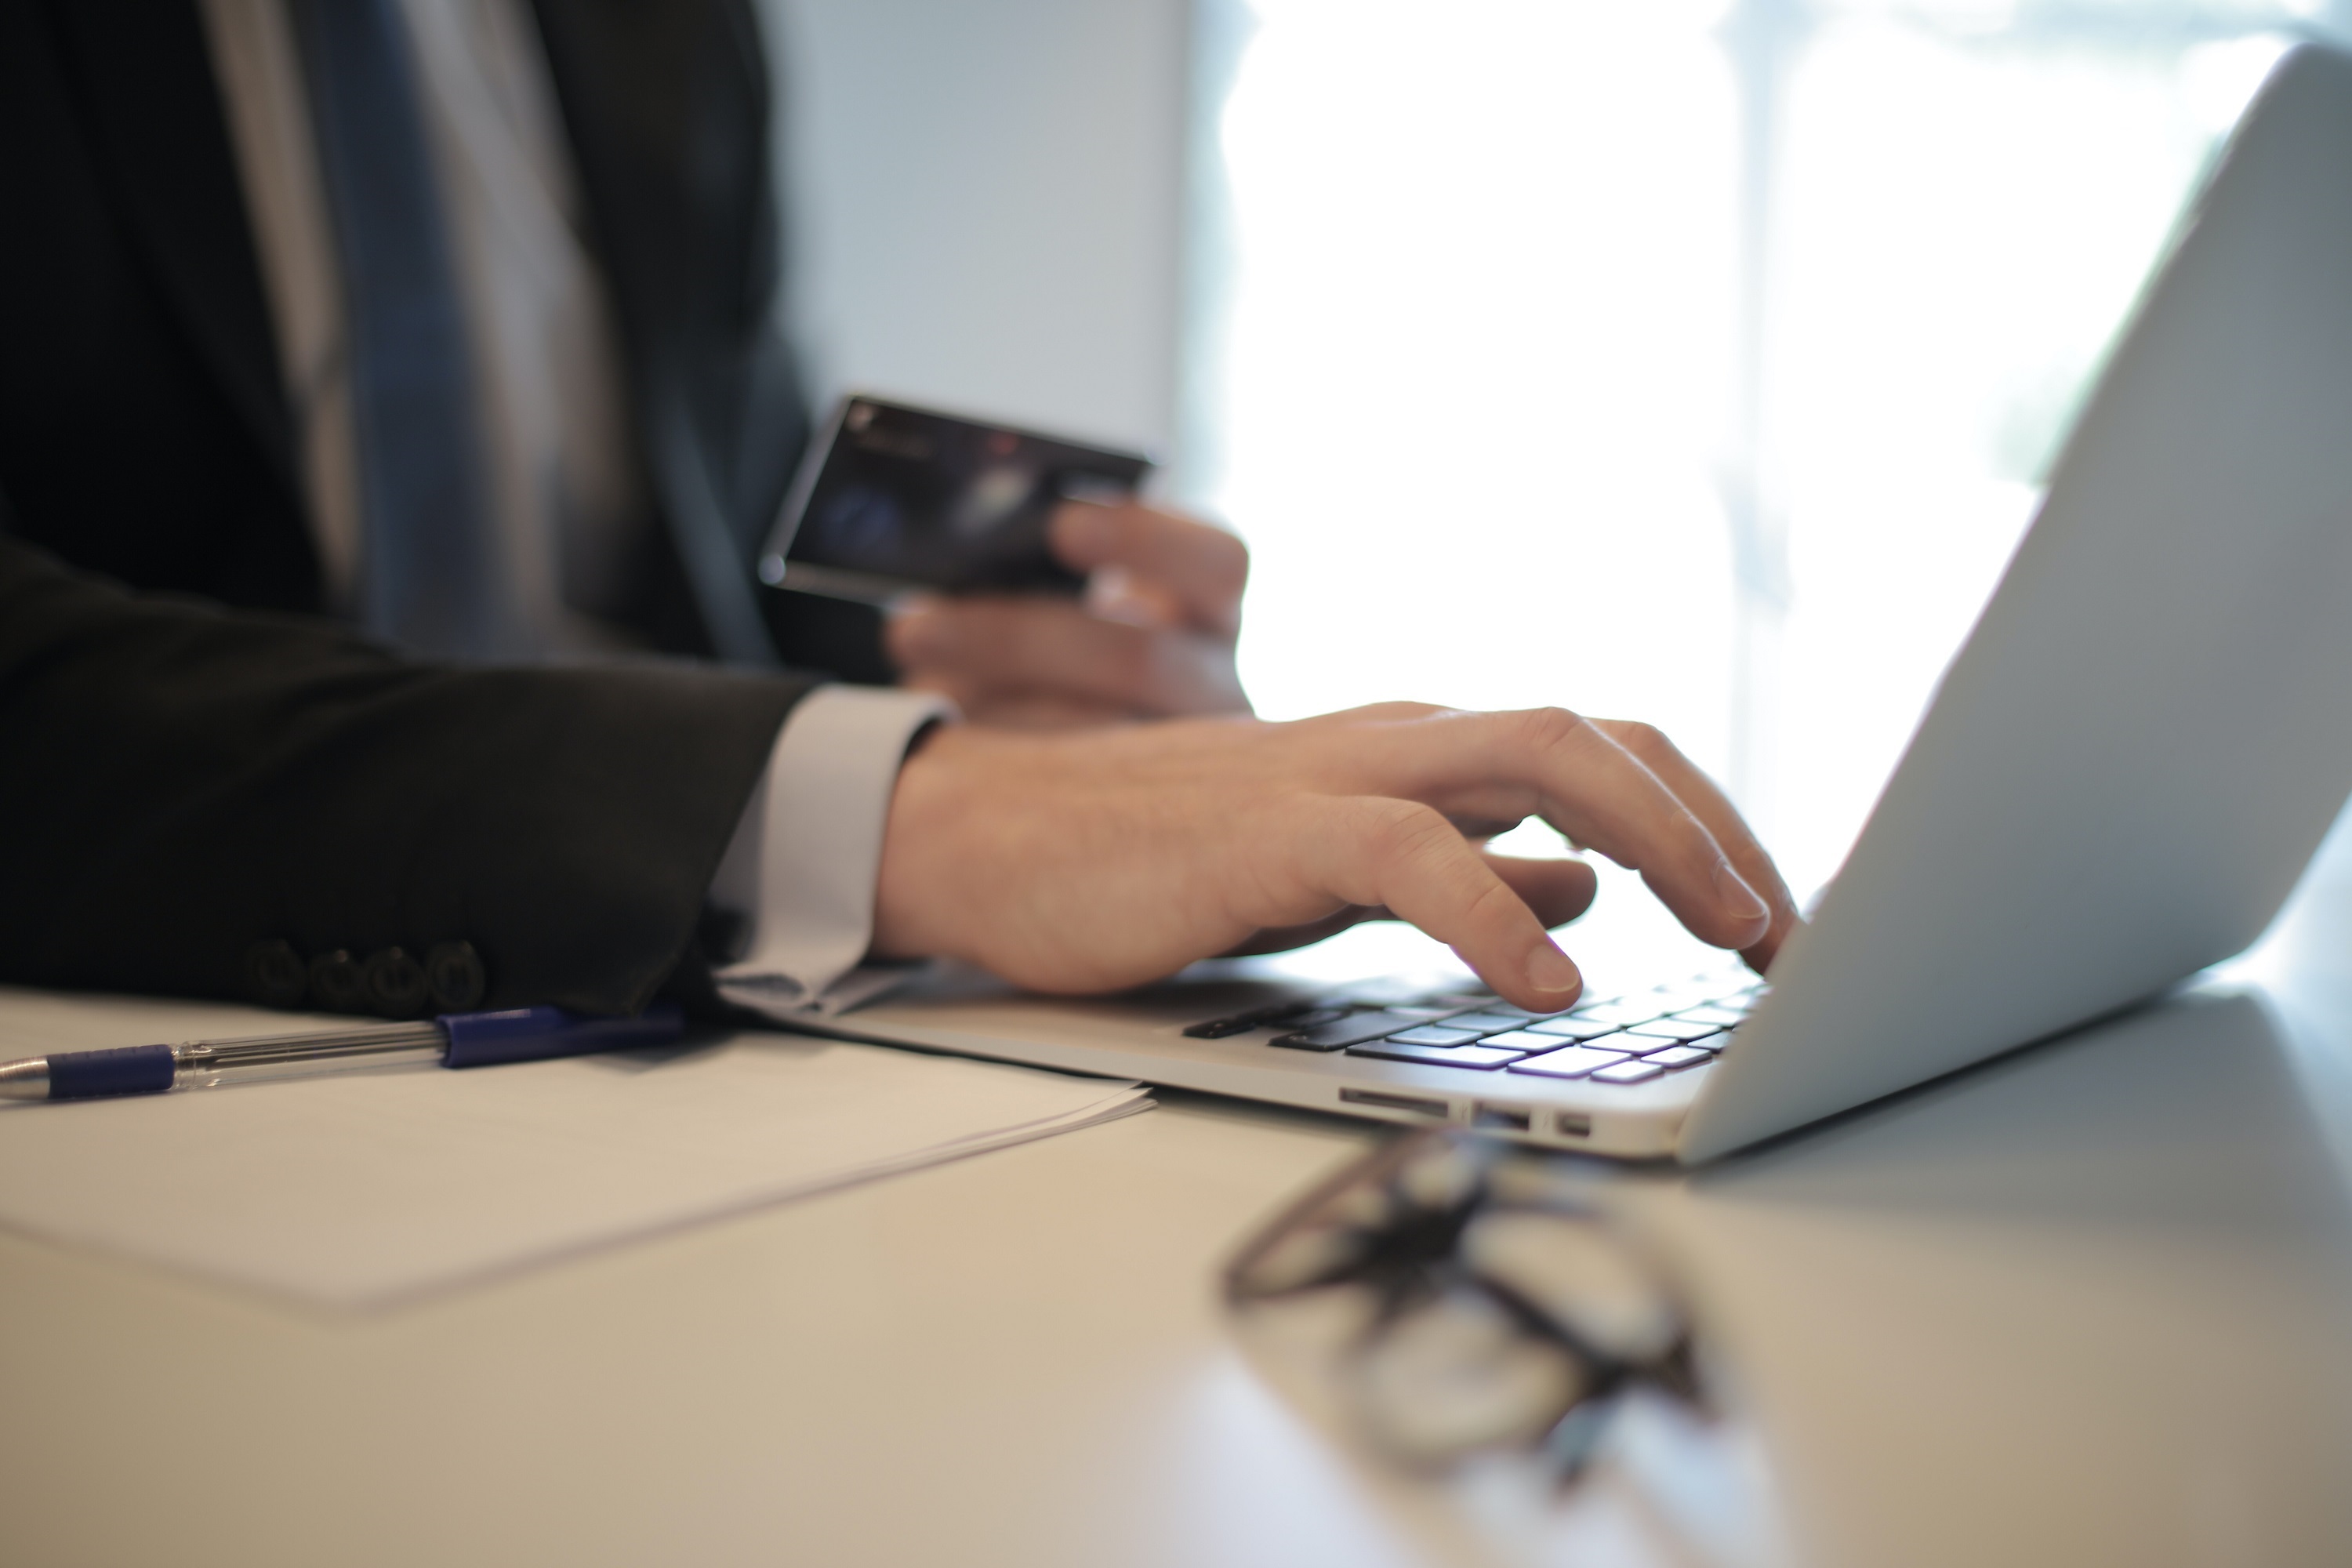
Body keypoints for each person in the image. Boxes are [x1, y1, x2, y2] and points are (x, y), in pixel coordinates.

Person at [0, 0, 1800, 1023]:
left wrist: (1043, 730)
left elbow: (737, 561)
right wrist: (920, 810)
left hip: (703, 1032)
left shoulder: (662, 37)